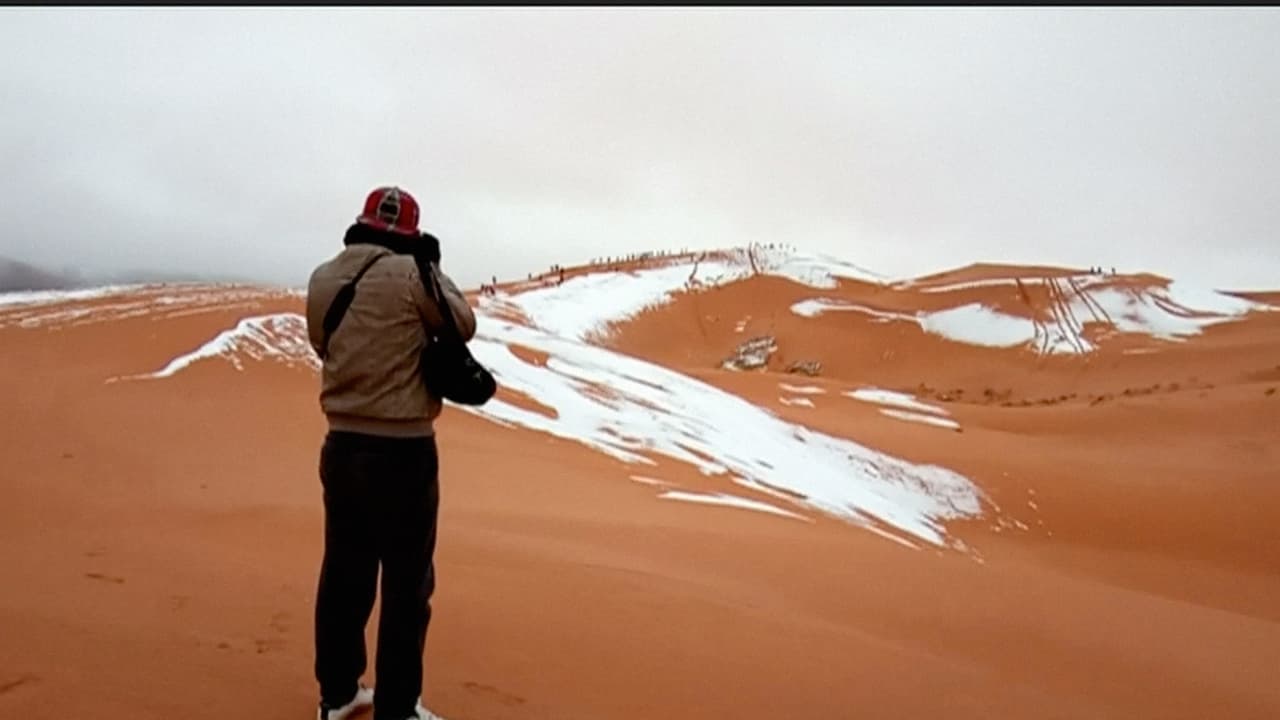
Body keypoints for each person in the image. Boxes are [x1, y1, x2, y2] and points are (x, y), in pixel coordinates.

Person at [304, 186, 477, 720]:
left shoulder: (324, 277)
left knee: (344, 573)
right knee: (407, 582)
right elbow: (462, 322)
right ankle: (397, 708)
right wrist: (431, 265)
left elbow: (320, 342)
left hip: (343, 445)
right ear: (410, 234)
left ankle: (336, 695)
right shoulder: (411, 276)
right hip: (404, 452)